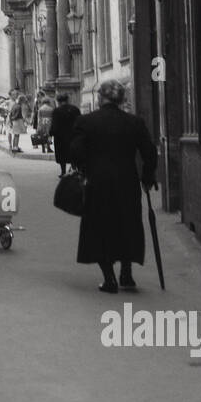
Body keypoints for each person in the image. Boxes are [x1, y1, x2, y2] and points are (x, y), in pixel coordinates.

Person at [69, 79, 158, 293]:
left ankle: (109, 278)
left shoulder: (86, 122)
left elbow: (76, 152)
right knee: (127, 225)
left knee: (100, 228)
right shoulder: (134, 122)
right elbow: (150, 152)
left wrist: (83, 168)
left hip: (97, 182)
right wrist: (146, 178)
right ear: (121, 99)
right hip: (127, 182)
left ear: (100, 98)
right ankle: (126, 273)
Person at [49, 93, 81, 176]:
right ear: (68, 100)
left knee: (61, 154)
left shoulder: (56, 111)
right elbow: (79, 122)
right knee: (73, 153)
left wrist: (51, 134)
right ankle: (74, 169)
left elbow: (54, 124)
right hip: (73, 135)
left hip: (60, 137)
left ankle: (63, 171)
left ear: (58, 101)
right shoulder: (75, 109)